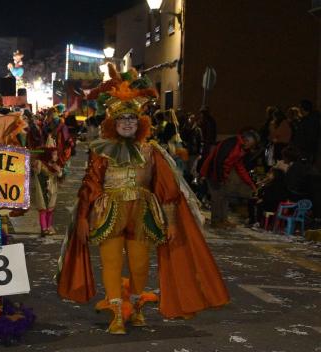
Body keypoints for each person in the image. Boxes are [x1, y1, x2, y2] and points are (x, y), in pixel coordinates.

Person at [58, 68, 229, 335]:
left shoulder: (151, 151)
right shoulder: (100, 151)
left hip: (143, 214)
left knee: (139, 265)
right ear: (112, 122)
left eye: (132, 119)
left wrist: (171, 224)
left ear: (141, 123)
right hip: (108, 213)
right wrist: (82, 218)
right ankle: (116, 313)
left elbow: (168, 190)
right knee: (111, 263)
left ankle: (136, 307)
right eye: (122, 118)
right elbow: (90, 186)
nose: (127, 123)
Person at [200, 128, 259, 228]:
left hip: (223, 175)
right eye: (252, 144)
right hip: (213, 172)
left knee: (224, 196)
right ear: (247, 140)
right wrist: (218, 179)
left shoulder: (241, 148)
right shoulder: (231, 143)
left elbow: (240, 167)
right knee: (217, 197)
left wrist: (250, 184)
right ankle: (216, 221)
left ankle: (223, 219)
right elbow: (218, 160)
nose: (251, 147)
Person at [248, 146, 309, 227]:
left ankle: (258, 222)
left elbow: (291, 185)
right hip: (286, 195)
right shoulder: (294, 167)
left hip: (290, 197)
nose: (283, 159)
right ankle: (254, 221)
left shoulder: (295, 168)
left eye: (284, 156)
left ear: (287, 157)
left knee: (260, 204)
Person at [31, 147, 63, 236]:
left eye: (56, 154)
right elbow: (35, 170)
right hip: (42, 189)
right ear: (48, 155)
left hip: (52, 190)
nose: (56, 156)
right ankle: (44, 228)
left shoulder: (55, 165)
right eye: (54, 154)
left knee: (50, 210)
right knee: (43, 210)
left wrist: (59, 171)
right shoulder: (40, 163)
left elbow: (60, 176)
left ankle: (49, 227)